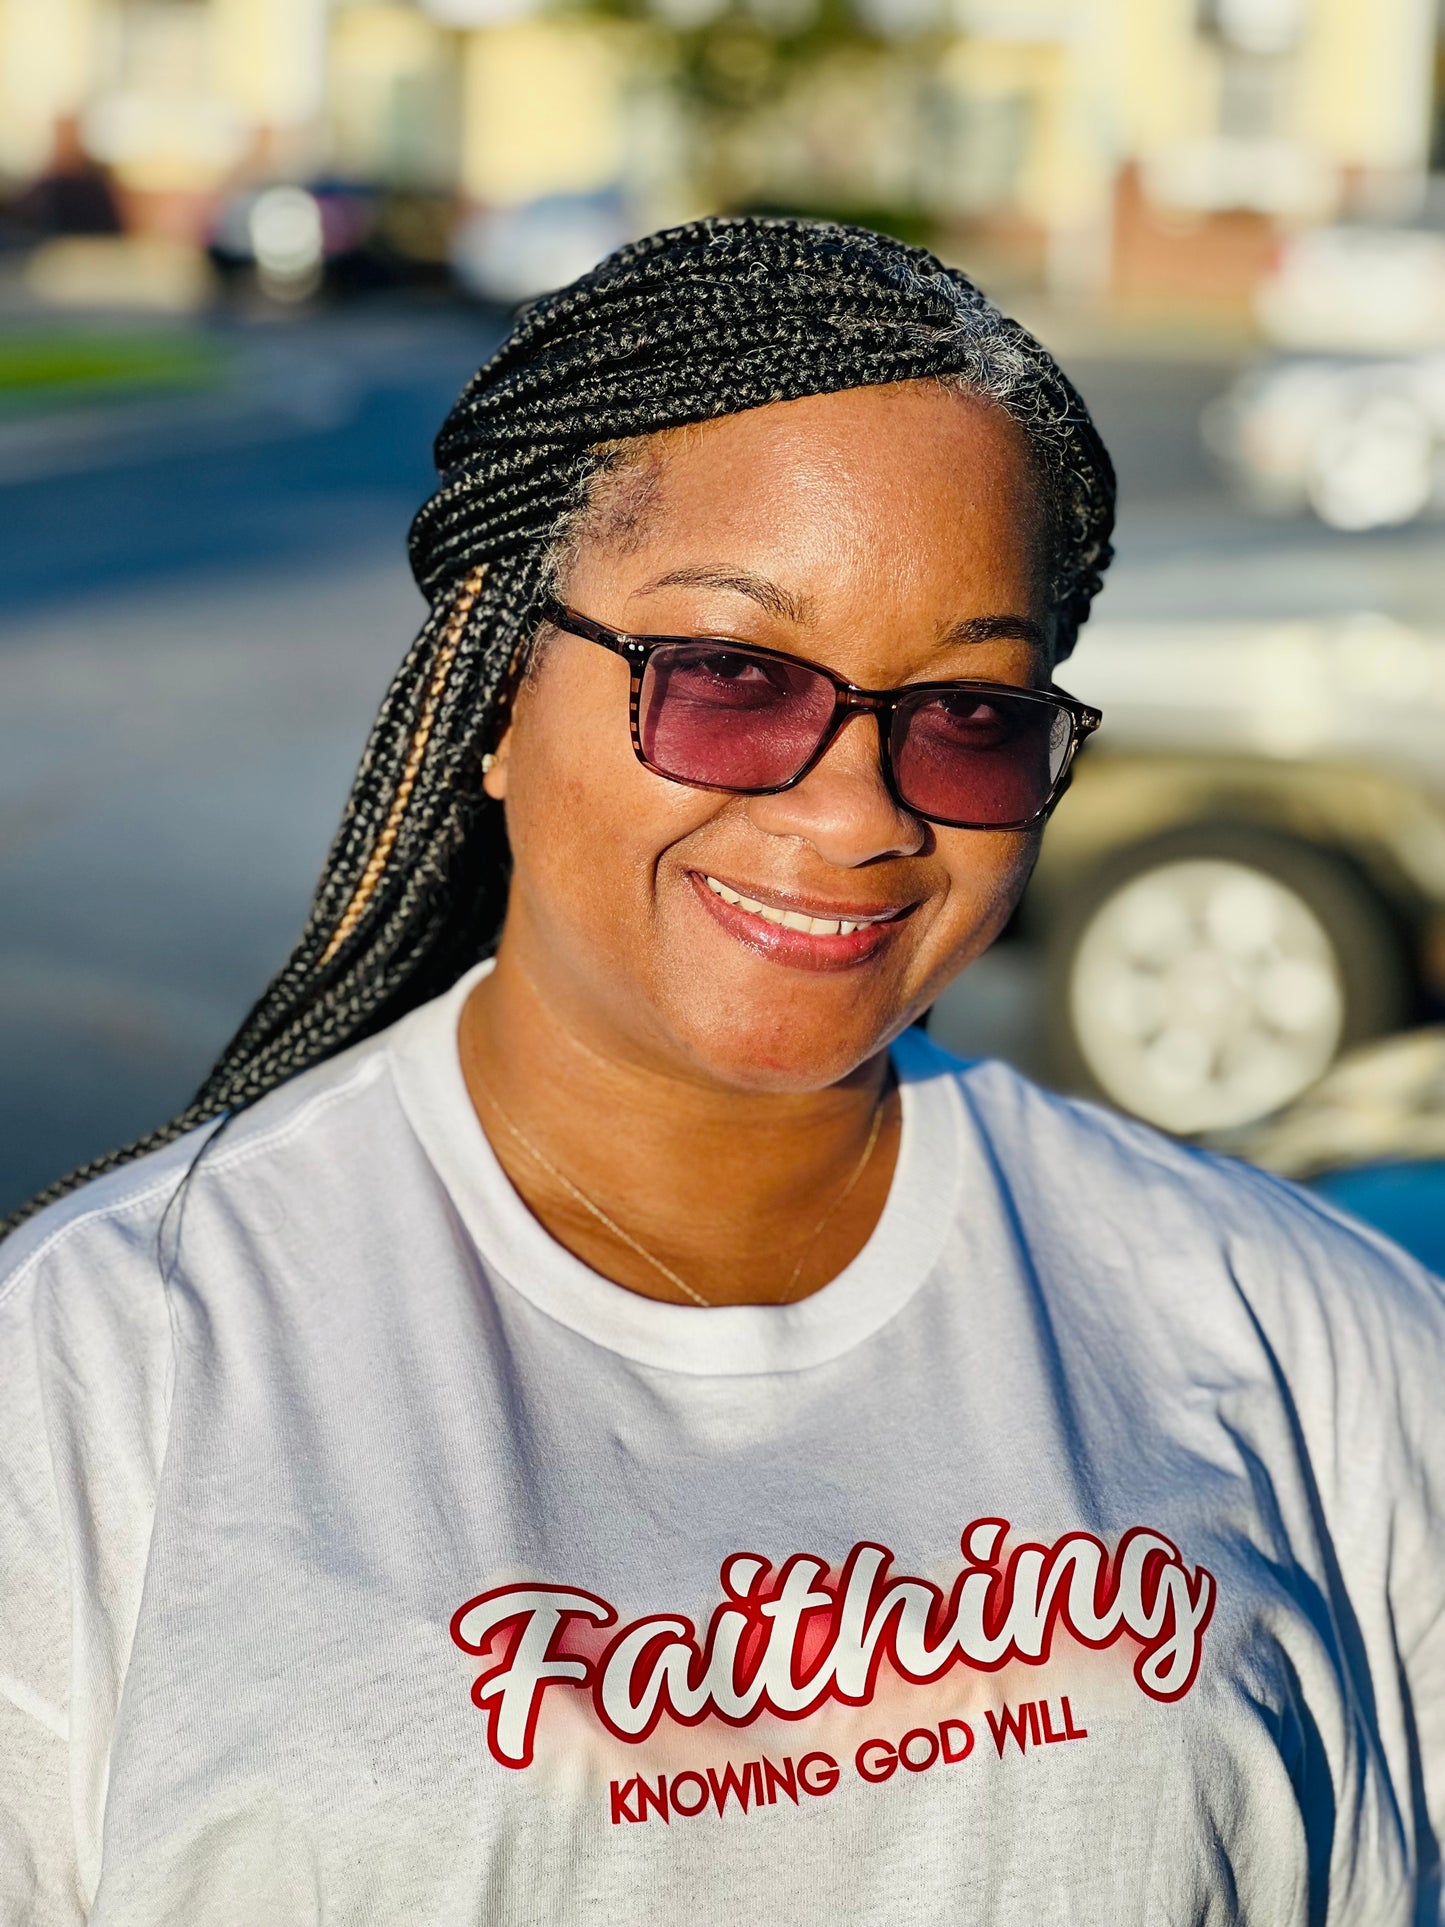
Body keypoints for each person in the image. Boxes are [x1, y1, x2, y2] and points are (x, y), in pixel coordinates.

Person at [1, 216, 1442, 1927]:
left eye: (970, 712)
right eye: (734, 678)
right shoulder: (108, 1370)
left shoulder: (1308, 1337)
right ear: (489, 685)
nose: (855, 814)